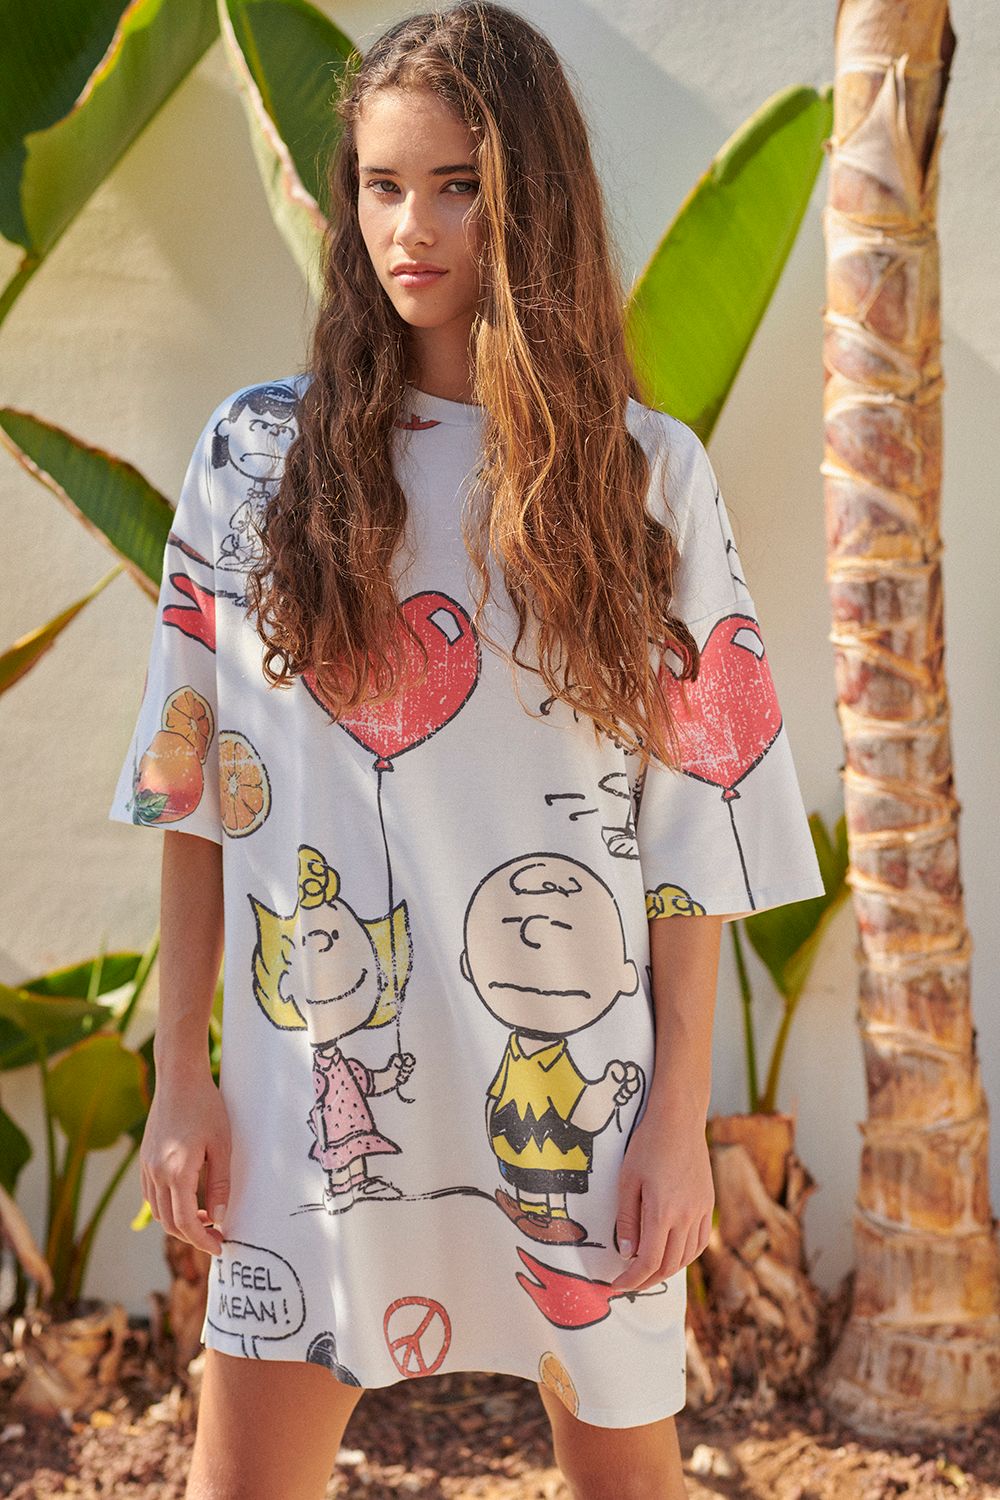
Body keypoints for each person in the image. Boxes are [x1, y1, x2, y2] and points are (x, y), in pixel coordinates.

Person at [108, 4, 826, 1496]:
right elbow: (195, 795)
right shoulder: (255, 464)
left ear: (530, 198)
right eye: (381, 185)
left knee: (628, 1480)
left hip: (577, 1109)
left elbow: (694, 835)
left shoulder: (643, 480)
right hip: (314, 1102)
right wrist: (182, 1077)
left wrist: (676, 1126)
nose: (410, 229)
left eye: (456, 187)